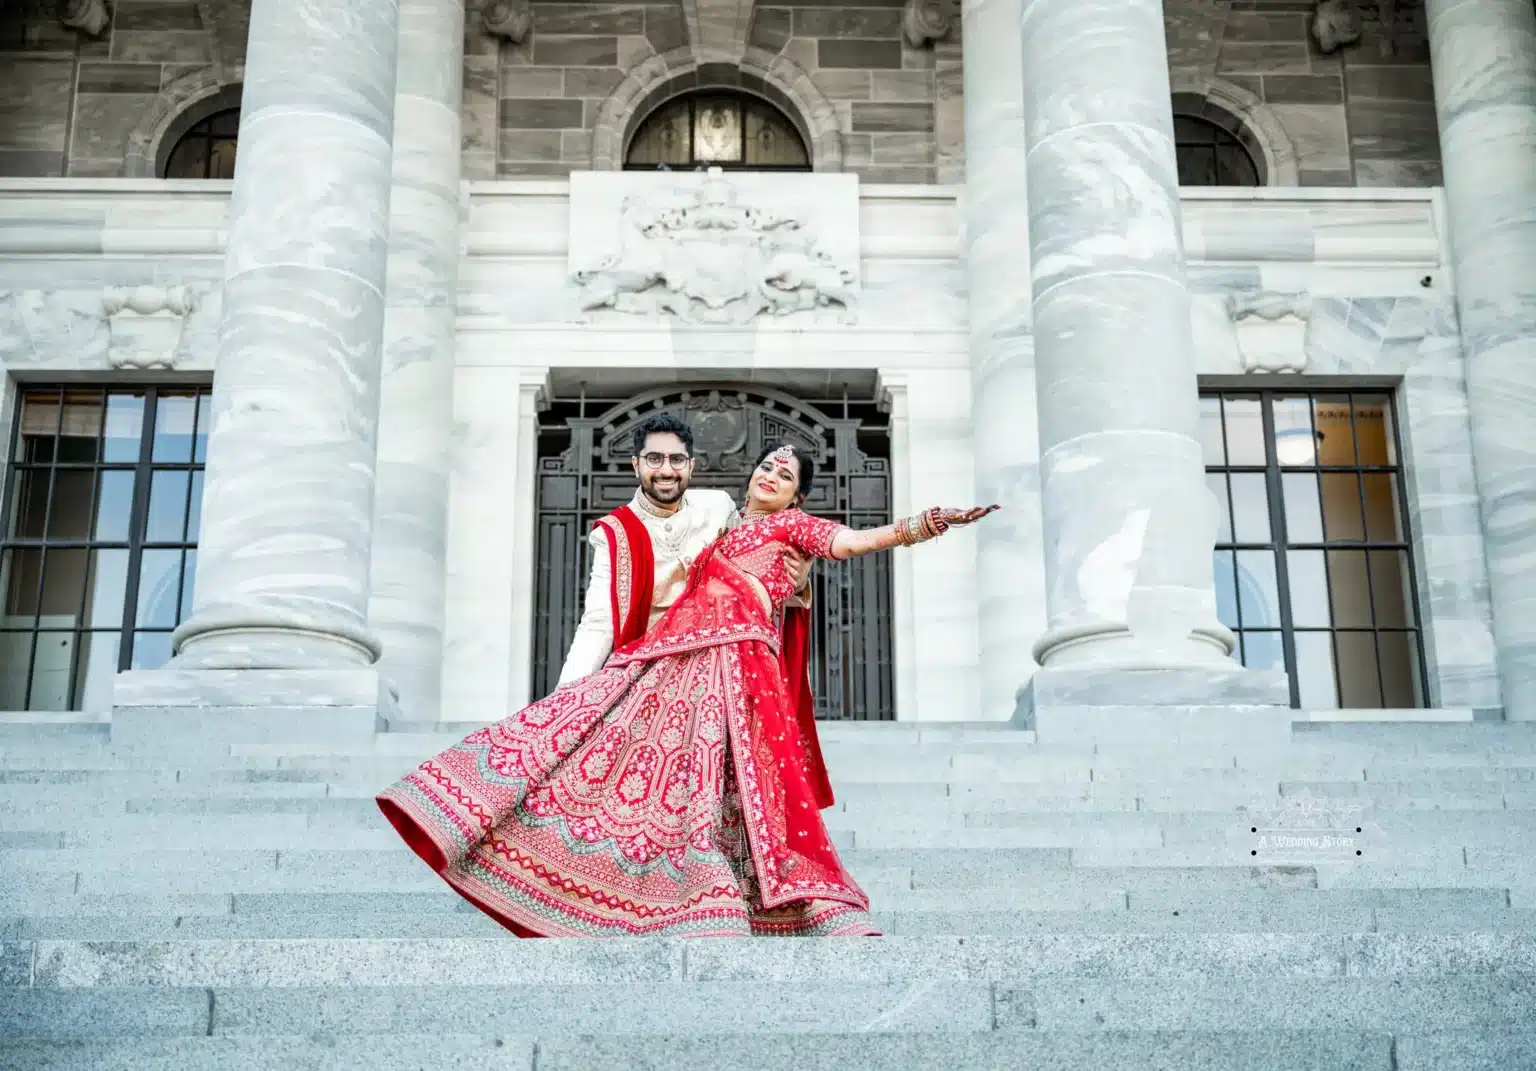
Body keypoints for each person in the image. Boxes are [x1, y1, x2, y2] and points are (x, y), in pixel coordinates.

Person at [377, 441, 997, 938]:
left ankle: (756, 897)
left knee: (738, 784)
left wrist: (926, 524)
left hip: (742, 668)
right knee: (621, 751)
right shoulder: (720, 529)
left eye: (785, 472)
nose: (771, 474)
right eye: (766, 465)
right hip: (676, 660)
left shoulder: (797, 529)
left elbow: (852, 543)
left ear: (798, 494)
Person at [555, 412, 814, 689]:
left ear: (690, 465)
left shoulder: (718, 507)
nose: (666, 471)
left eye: (676, 460)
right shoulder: (614, 534)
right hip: (647, 676)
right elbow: (598, 624)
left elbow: (753, 582)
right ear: (636, 465)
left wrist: (798, 586)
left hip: (721, 675)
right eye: (654, 459)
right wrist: (564, 697)